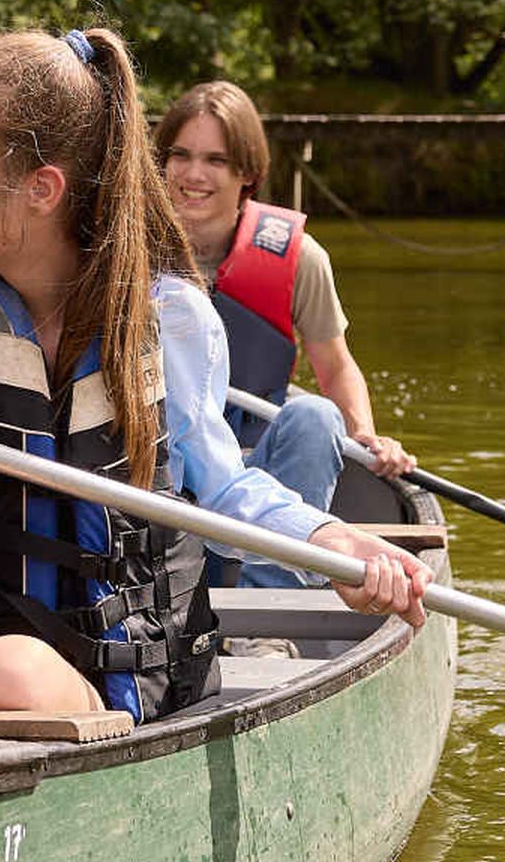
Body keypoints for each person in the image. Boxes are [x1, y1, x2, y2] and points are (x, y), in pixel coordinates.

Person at [0, 27, 427, 718]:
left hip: (93, 681)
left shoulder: (172, 320)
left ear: (41, 189)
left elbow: (220, 488)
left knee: (10, 673)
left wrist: (326, 540)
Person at [154, 80, 411, 571]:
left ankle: (266, 616)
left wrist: (366, 435)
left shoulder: (301, 260)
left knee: (316, 416)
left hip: (252, 468)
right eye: (180, 155)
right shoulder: (122, 253)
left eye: (216, 160)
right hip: (166, 470)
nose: (192, 174)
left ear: (247, 173)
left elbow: (335, 368)